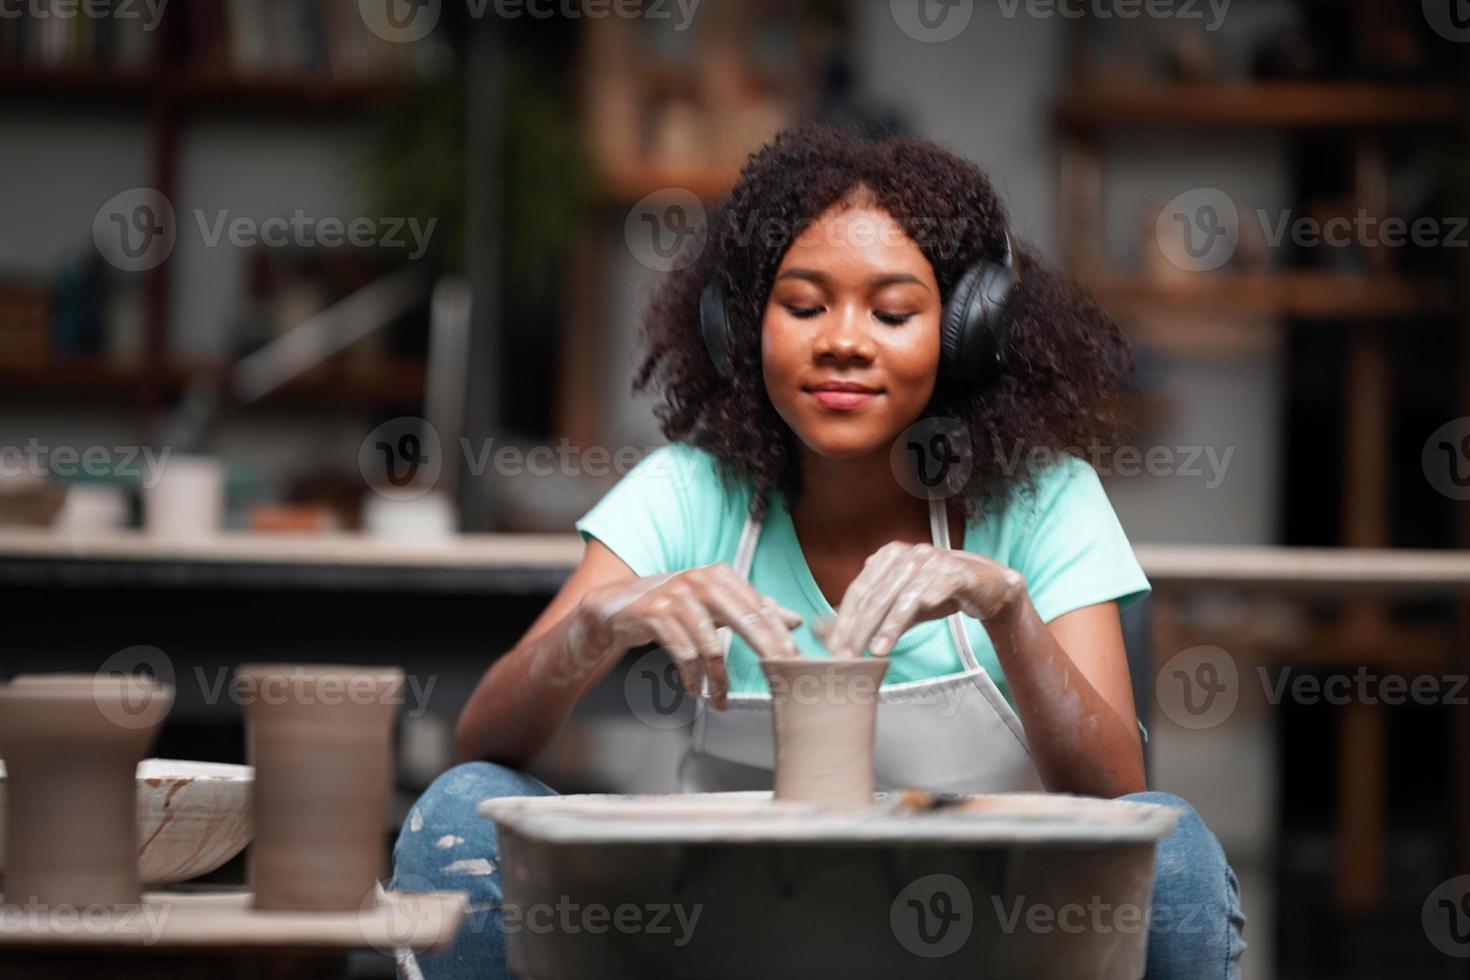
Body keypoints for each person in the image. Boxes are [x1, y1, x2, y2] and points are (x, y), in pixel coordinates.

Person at [391, 124, 1246, 979]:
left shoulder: (1044, 499)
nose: (843, 339)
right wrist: (591, 629)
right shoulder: (692, 490)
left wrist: (1010, 612)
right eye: (803, 306)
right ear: (741, 326)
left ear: (967, 332)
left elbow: (1119, 793)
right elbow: (482, 739)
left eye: (893, 311)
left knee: (1177, 855)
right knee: (458, 810)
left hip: (979, 945)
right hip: (731, 942)